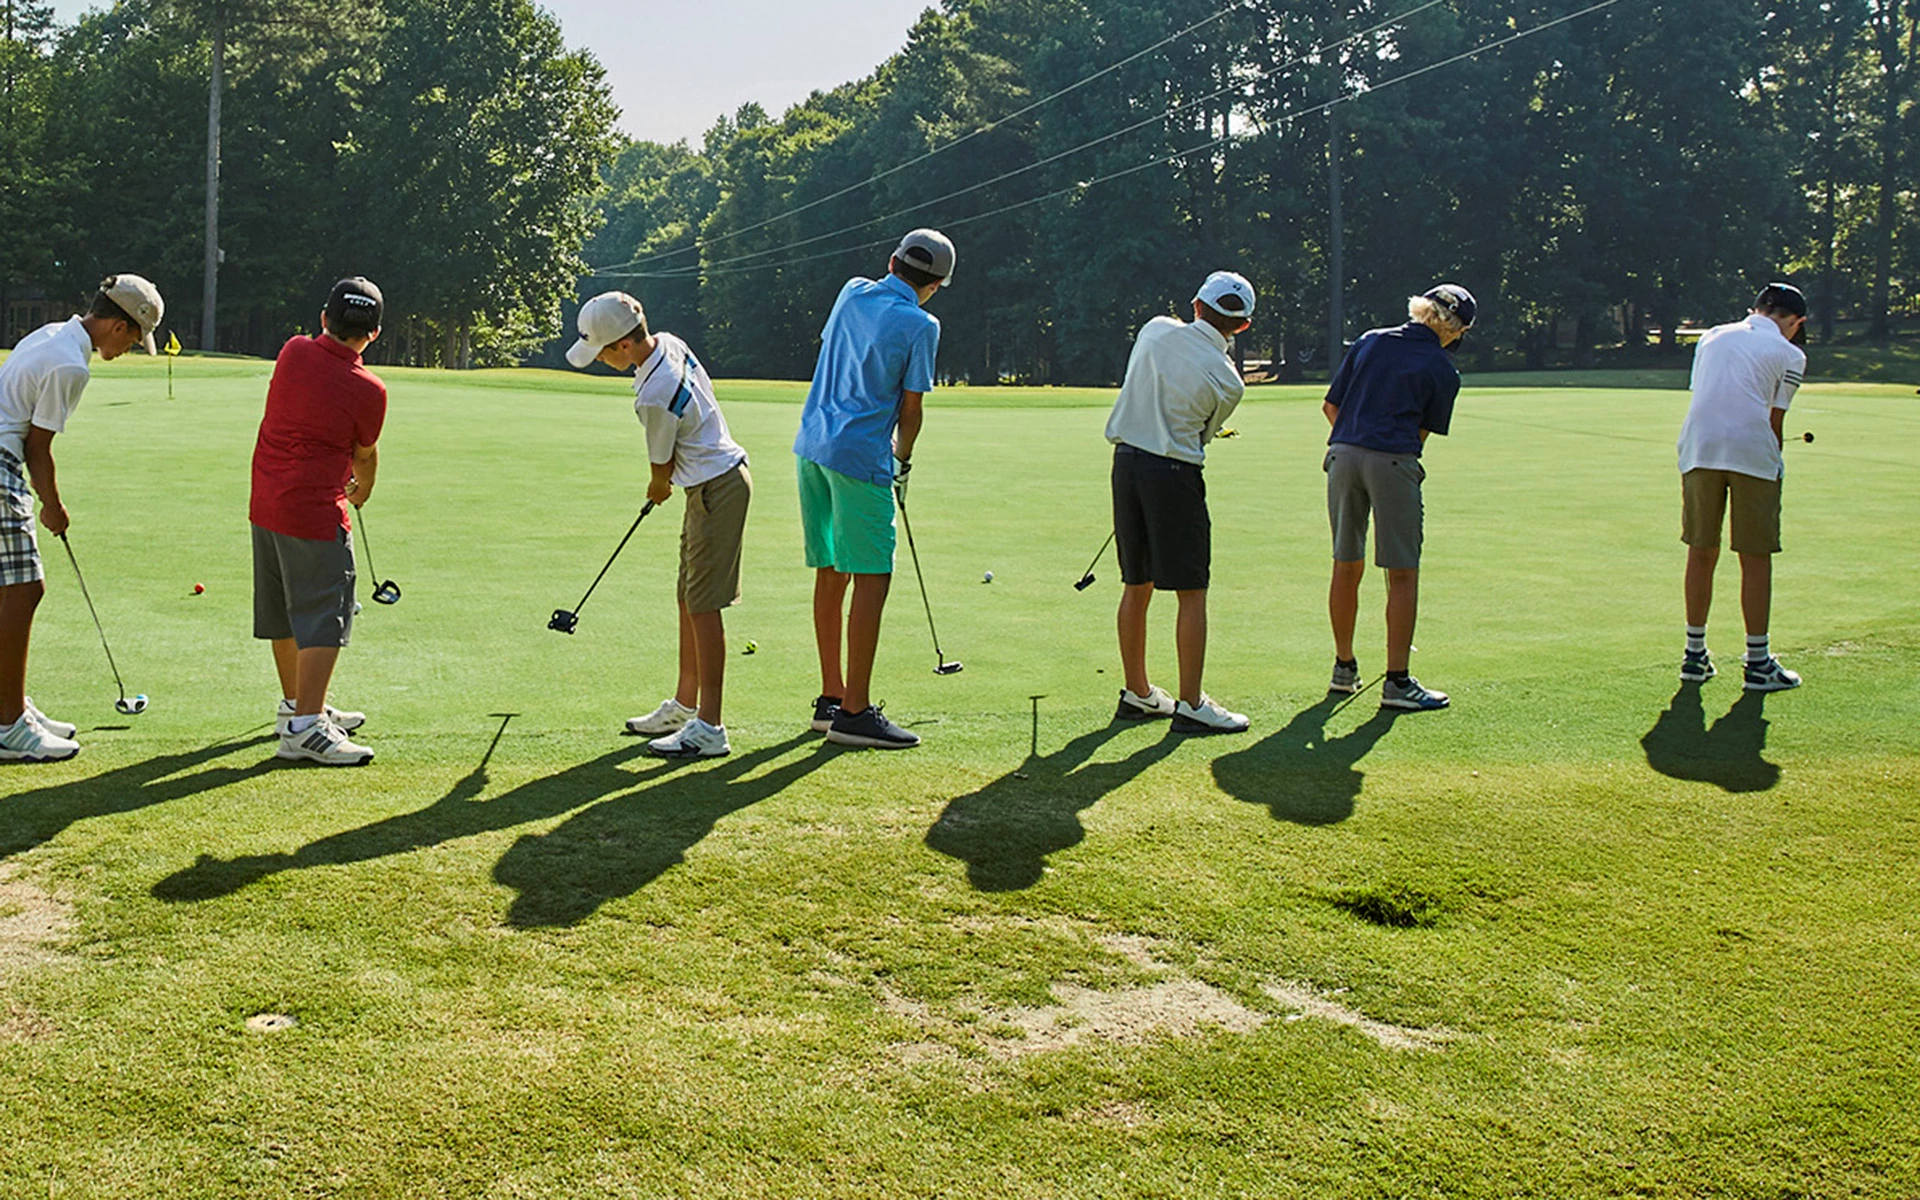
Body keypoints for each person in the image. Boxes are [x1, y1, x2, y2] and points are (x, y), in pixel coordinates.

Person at [564, 291, 751, 758]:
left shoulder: (653, 394)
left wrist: (657, 489)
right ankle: (684, 705)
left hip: (715, 489)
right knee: (688, 595)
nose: (601, 359)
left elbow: (660, 471)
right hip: (713, 483)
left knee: (704, 606)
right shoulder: (669, 342)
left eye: (603, 351)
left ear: (623, 347)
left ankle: (710, 726)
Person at [792, 228, 953, 749]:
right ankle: (855, 712)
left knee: (832, 570)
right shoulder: (922, 324)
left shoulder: (852, 289)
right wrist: (902, 463)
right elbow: (911, 409)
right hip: (860, 458)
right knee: (873, 576)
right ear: (937, 284)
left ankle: (830, 697)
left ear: (892, 261)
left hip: (812, 446)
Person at [0, 274, 163, 763]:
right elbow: (38, 448)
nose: (131, 348)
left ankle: (12, 708)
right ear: (119, 325)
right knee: (25, 588)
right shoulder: (73, 365)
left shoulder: (52, 332)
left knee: (13, 589)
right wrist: (53, 505)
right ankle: (8, 725)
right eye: (135, 338)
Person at [1104, 270, 1256, 734]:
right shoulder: (1230, 381)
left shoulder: (1154, 328)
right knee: (1191, 591)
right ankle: (1191, 703)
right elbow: (1203, 434)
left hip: (1126, 466)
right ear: (1243, 325)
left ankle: (1139, 693)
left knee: (1137, 583)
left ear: (1195, 305)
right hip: (1173, 475)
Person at [251, 277, 388, 766]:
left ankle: (298, 705)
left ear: (324, 318)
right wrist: (366, 486)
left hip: (266, 503)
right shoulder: (370, 389)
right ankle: (306, 728)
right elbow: (363, 454)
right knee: (325, 615)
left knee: (286, 611)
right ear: (373, 334)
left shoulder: (292, 351)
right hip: (313, 512)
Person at [1322, 283, 1475, 712]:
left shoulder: (1370, 340)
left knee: (1345, 562)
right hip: (1392, 461)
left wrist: (1353, 443)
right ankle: (1397, 682)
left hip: (1343, 454)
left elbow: (1331, 406)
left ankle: (1343, 668)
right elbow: (1418, 436)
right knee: (1402, 572)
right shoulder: (1444, 370)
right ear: (1455, 329)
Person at [1673, 281, 1808, 692]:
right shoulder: (1791, 354)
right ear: (1793, 321)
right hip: (1750, 453)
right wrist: (1775, 463)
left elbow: (1708, 395)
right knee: (1756, 556)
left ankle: (1694, 657)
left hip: (1699, 447)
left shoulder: (1711, 336)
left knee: (1701, 550)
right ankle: (1758, 661)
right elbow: (1774, 422)